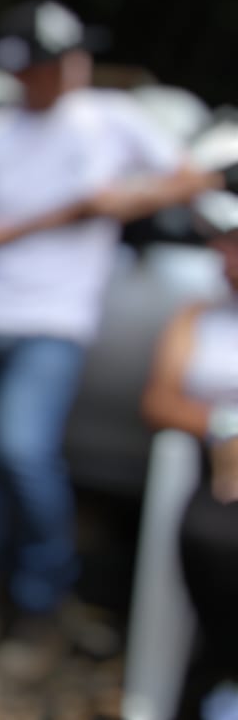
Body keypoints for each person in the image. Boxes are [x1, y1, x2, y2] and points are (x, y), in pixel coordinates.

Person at [0, 0, 225, 677]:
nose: (73, 68)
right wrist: (68, 210)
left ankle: (41, 601)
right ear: (24, 72)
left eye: (75, 55)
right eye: (56, 60)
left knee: (21, 452)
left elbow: (193, 179)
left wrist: (122, 201)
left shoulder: (112, 121)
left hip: (53, 324)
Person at [141, 188, 238, 718]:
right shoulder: (198, 315)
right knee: (211, 537)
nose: (223, 258)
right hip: (213, 481)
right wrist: (227, 426)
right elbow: (159, 401)